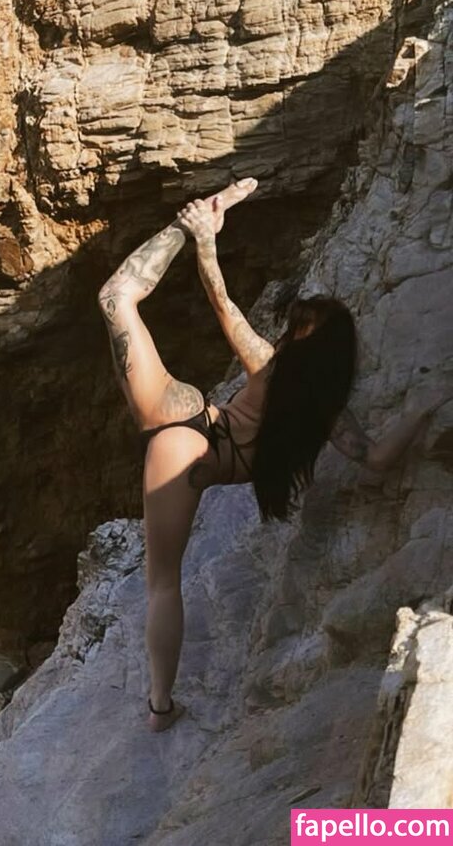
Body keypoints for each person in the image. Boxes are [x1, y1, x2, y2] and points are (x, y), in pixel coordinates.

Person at [97, 178, 439, 732]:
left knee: (116, 298)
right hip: (202, 444)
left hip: (188, 432)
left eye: (295, 329)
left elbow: (221, 301)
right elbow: (376, 458)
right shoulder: (327, 411)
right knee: (165, 580)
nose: (285, 334)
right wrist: (422, 407)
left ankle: (190, 221)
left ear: (305, 342)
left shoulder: (270, 365)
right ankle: (160, 706)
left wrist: (204, 238)